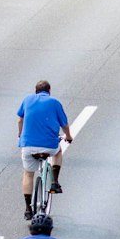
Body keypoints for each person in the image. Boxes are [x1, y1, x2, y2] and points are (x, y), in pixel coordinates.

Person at [17, 79, 73, 219]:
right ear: (49, 91)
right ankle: (54, 181)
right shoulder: (54, 102)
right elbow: (64, 124)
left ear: (35, 91)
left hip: (28, 145)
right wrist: (68, 136)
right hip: (49, 145)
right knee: (58, 152)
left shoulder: (27, 99)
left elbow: (19, 119)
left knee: (28, 174)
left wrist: (20, 135)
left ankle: (28, 209)